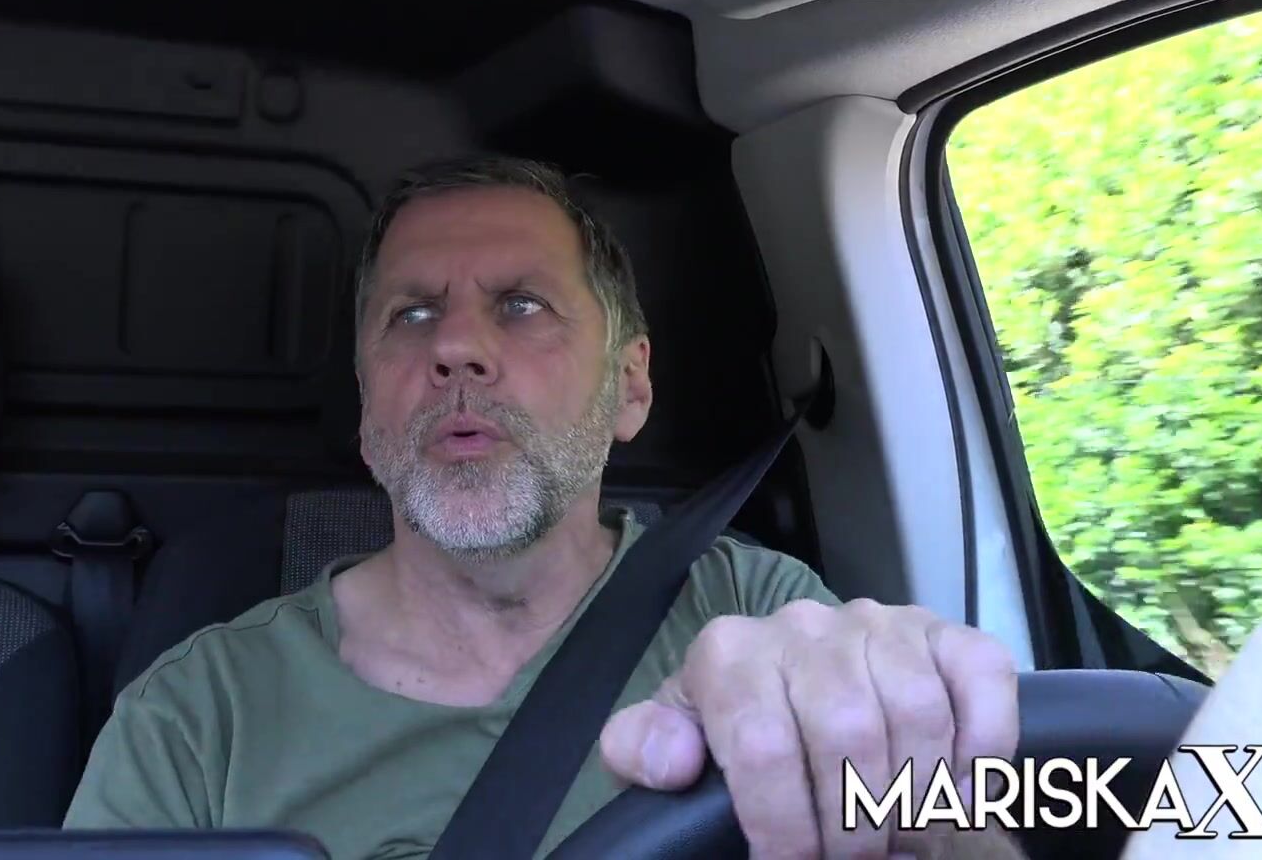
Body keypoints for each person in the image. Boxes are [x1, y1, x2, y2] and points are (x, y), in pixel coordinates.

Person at [64, 156, 1026, 859]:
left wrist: (926, 795)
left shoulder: (765, 619)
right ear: (366, 409)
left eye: (522, 305)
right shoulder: (195, 717)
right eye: (411, 315)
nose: (456, 349)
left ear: (630, 386)